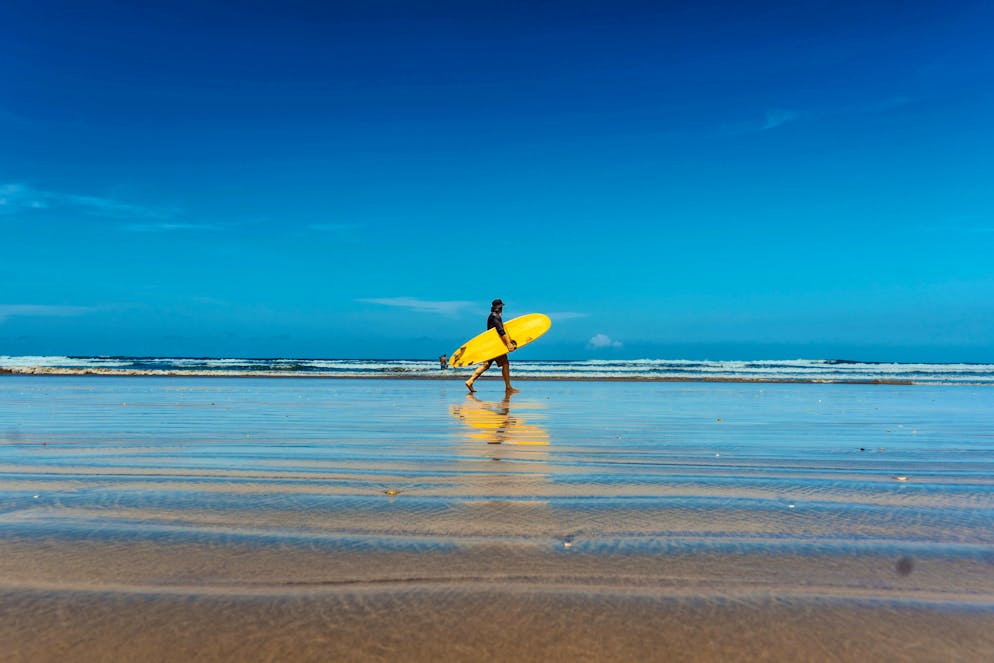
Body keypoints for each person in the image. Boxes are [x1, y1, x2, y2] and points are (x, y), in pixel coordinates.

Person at [465, 298, 518, 394]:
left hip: (490, 345)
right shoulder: (495, 316)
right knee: (505, 364)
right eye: (502, 307)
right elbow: (500, 330)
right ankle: (508, 387)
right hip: (496, 346)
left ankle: (470, 381)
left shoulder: (492, 316)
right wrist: (508, 343)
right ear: (500, 307)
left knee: (486, 365)